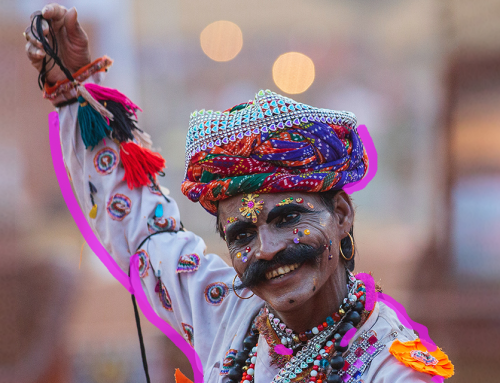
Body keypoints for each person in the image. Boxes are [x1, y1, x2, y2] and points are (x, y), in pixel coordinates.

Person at [24, 4, 454, 382]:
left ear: (341, 215)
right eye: (242, 235)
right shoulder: (228, 313)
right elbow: (145, 237)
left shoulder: (391, 368)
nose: (265, 249)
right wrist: (77, 91)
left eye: (286, 218)